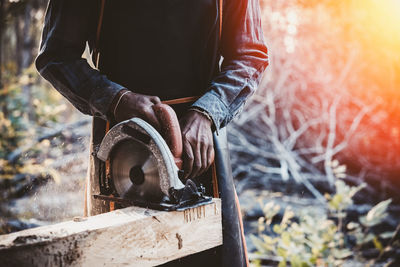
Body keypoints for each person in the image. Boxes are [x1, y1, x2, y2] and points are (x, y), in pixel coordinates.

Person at [36, 0, 268, 266]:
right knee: (121, 256)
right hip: (121, 147)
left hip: (200, 145)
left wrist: (208, 112)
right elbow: (56, 56)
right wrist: (116, 99)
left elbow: (250, 55)